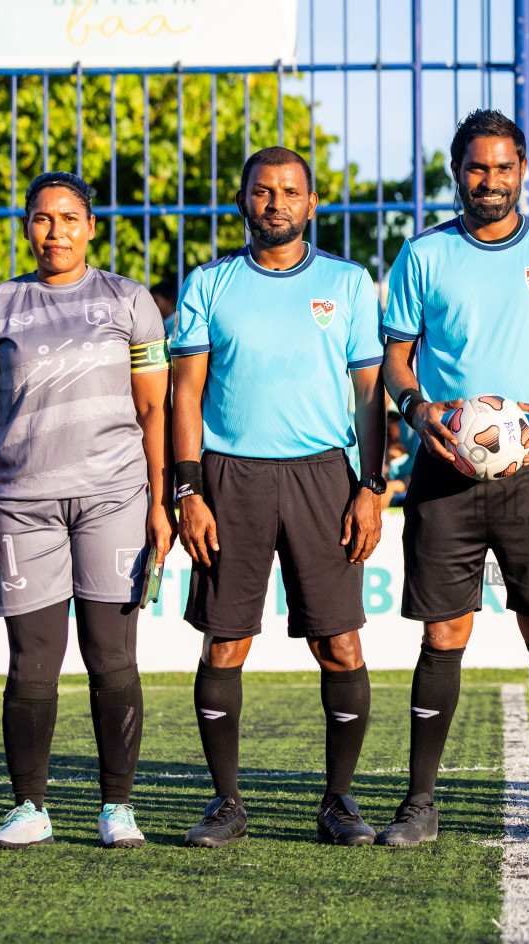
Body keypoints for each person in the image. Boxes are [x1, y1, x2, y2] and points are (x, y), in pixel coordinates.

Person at [376, 109, 529, 847]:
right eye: (478, 168)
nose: (491, 181)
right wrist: (417, 410)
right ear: (457, 172)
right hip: (445, 469)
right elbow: (397, 362)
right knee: (445, 631)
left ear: (523, 169)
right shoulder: (423, 255)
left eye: (504, 168)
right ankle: (419, 802)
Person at [171, 146, 388, 848]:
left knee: (339, 642)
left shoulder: (349, 283)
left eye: (290, 191)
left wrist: (372, 486)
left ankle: (339, 801)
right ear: (242, 202)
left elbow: (368, 395)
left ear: (312, 203)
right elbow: (186, 392)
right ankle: (226, 803)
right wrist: (188, 489)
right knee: (226, 642)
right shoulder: (208, 284)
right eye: (263, 192)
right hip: (230, 475)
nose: (276, 203)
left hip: (324, 477)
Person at [0, 171, 173, 850]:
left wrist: (162, 504)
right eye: (43, 219)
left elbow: (152, 411)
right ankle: (29, 808)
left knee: (112, 657)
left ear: (90, 225)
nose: (57, 232)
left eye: (70, 218)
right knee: (31, 664)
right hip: (23, 506)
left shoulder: (129, 300)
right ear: (27, 227)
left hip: (114, 497)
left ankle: (118, 807)